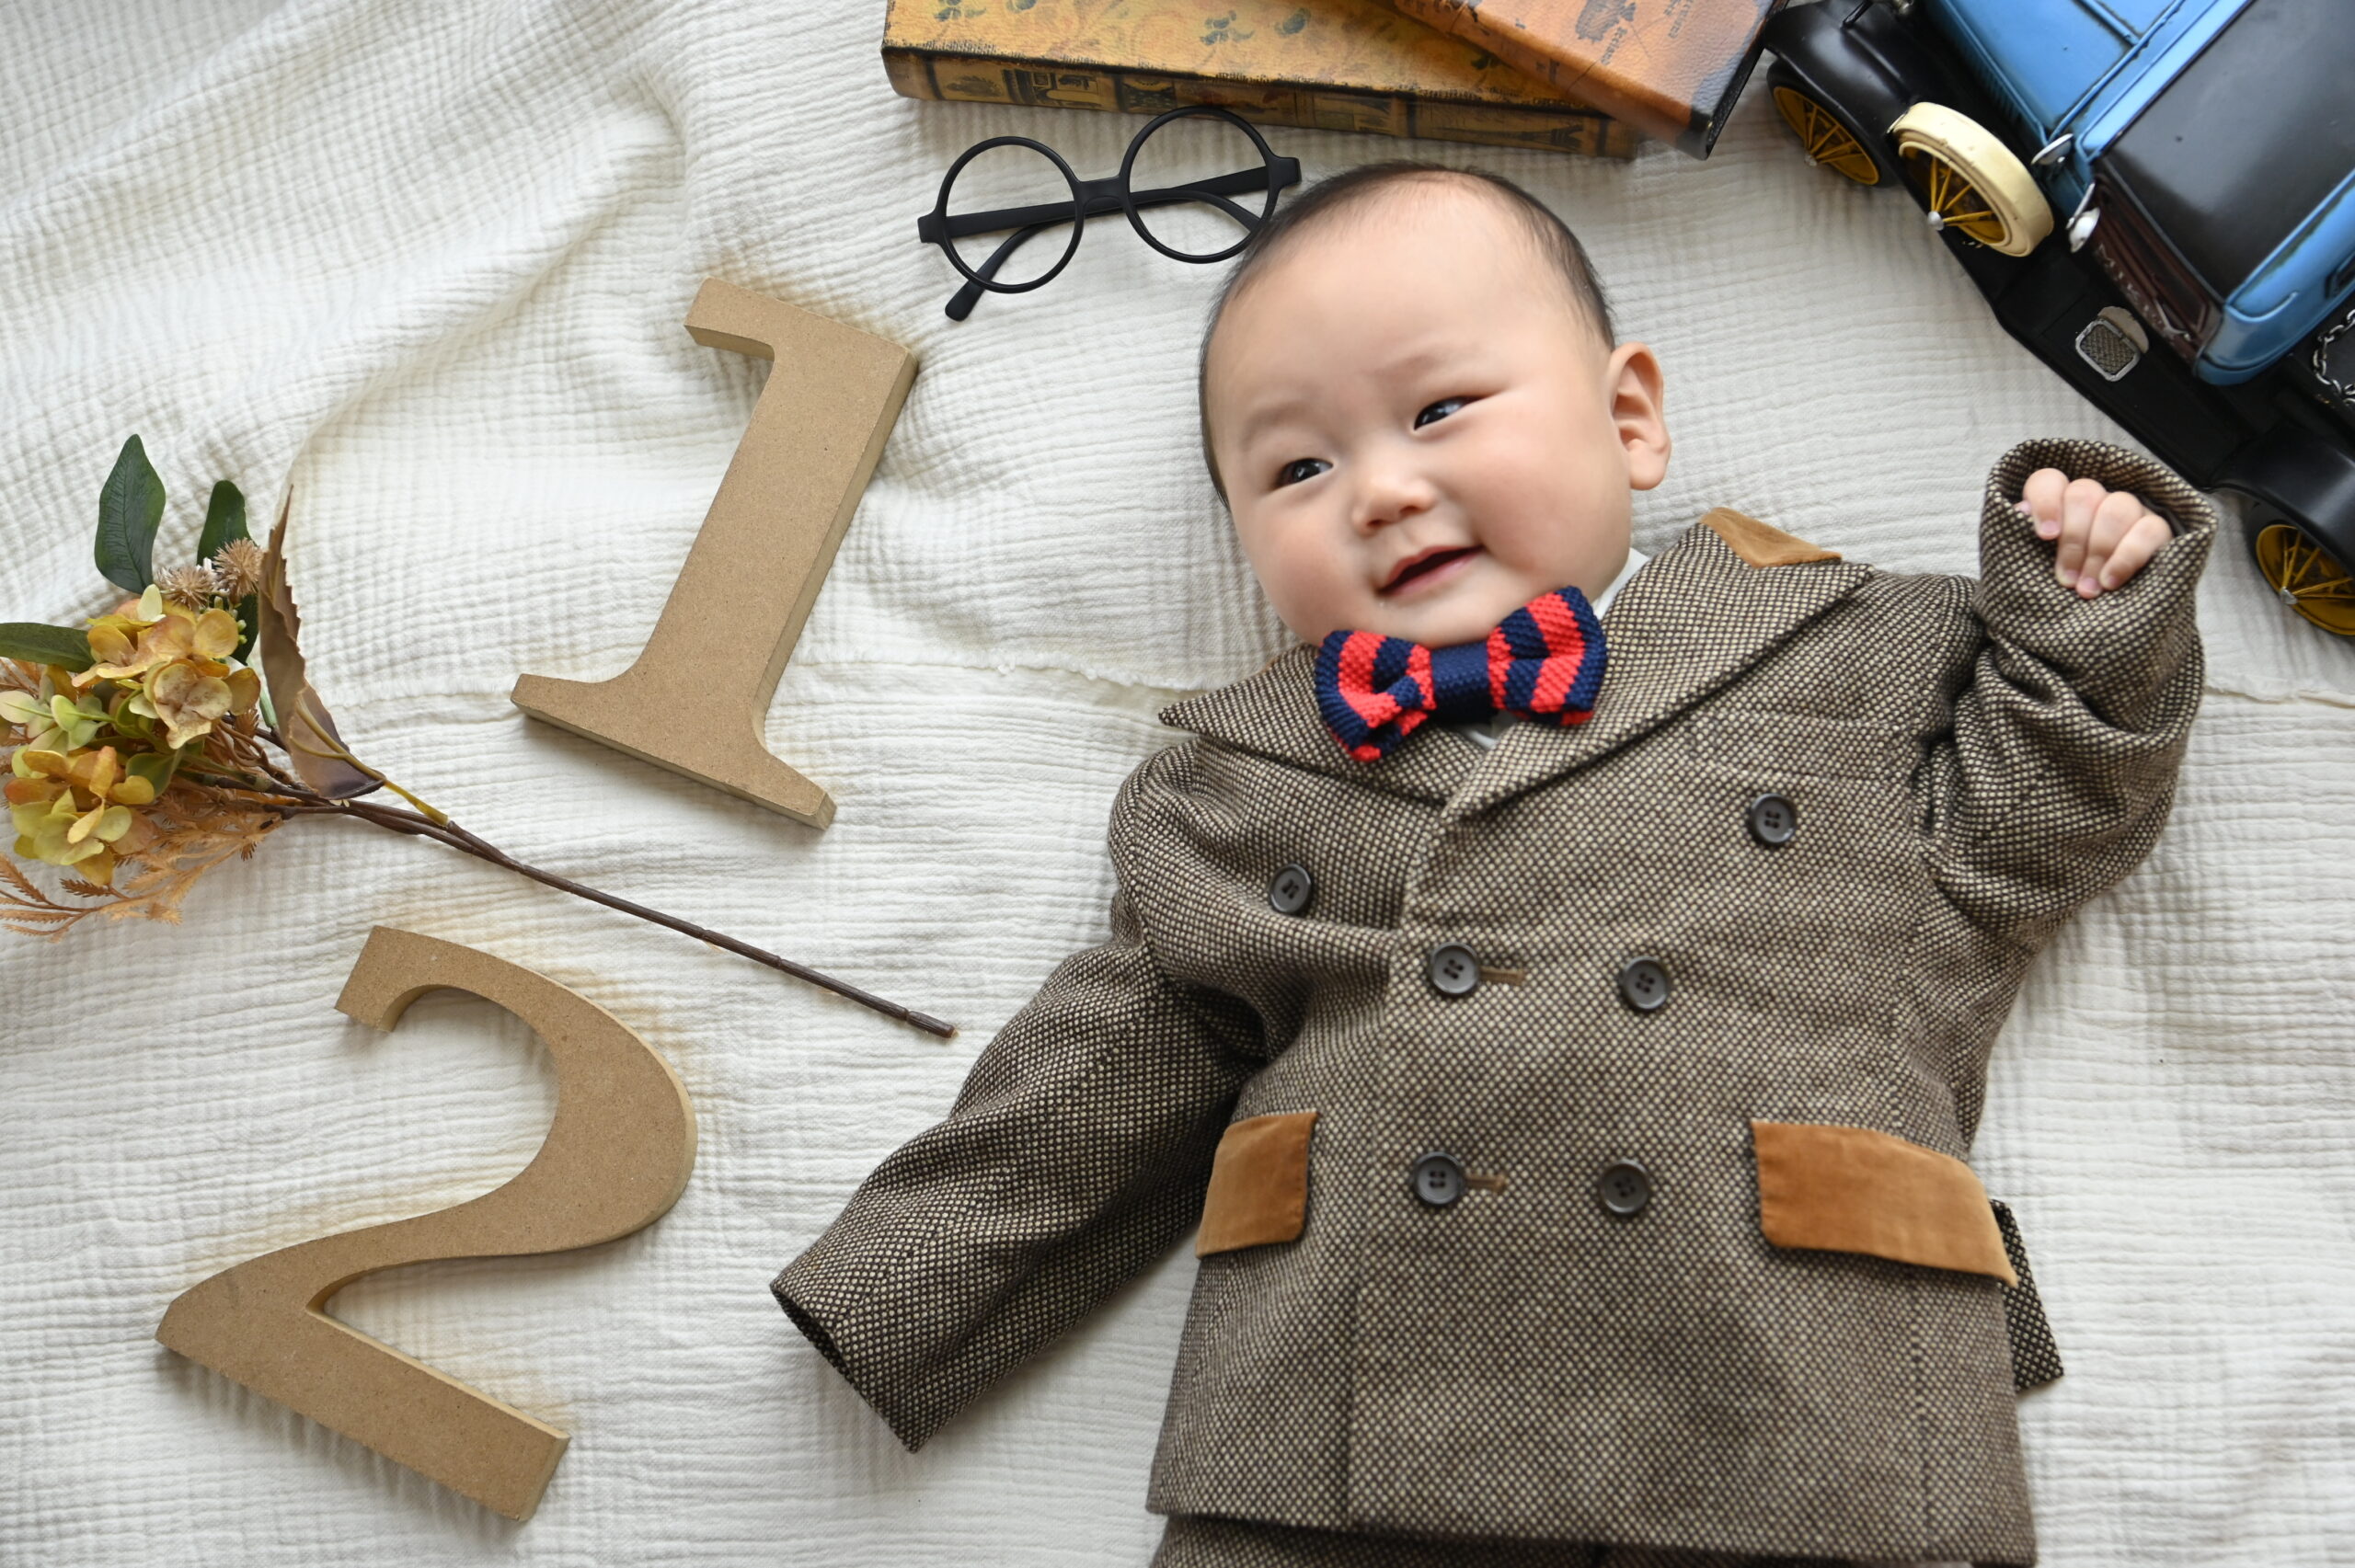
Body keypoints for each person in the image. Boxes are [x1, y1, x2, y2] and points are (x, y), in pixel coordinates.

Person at [773, 161, 2214, 1567]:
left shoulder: (1866, 646)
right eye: (1297, 466)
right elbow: (1109, 1066)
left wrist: (2088, 608)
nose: (1383, 489)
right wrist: (907, 1288)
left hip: (1799, 1388)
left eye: (1442, 408)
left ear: (1631, 417)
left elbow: (2042, 830)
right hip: (1350, 1422)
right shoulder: (1243, 779)